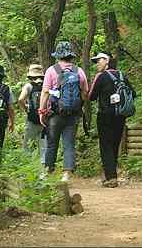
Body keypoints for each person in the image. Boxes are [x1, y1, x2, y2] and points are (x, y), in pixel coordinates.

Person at [38, 41, 89, 182]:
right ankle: (66, 174)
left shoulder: (51, 70)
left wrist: (42, 111)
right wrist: (79, 104)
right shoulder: (79, 71)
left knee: (52, 143)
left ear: (58, 55)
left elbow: (45, 92)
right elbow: (85, 92)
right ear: (71, 56)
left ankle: (48, 171)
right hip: (73, 115)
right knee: (69, 143)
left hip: (55, 114)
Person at [88, 52, 136, 187]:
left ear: (107, 61)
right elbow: (133, 93)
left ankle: (111, 177)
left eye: (99, 60)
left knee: (105, 144)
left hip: (105, 115)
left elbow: (91, 96)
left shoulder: (101, 76)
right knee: (114, 144)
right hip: (120, 115)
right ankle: (110, 173)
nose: (97, 63)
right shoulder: (122, 75)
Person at [17, 64, 47, 163]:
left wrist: (26, 108)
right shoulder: (46, 85)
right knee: (44, 146)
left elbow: (21, 99)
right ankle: (44, 171)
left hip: (32, 120)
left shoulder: (28, 86)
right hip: (45, 120)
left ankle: (27, 166)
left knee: (27, 145)